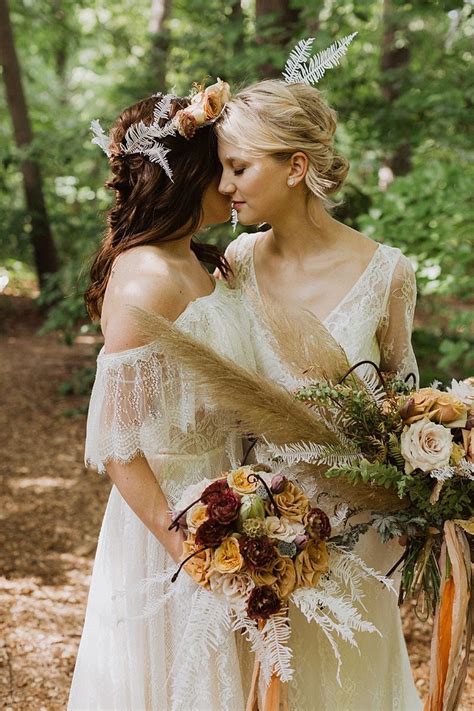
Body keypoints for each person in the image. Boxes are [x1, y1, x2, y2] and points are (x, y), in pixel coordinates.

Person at [216, 79, 422, 710]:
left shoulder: (389, 272)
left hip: (355, 536)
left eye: (239, 167)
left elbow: (402, 403)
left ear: (296, 167)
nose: (225, 186)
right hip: (254, 535)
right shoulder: (236, 261)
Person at [68, 85, 256, 710]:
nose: (231, 185)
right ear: (185, 175)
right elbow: (119, 447)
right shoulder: (143, 281)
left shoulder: (204, 263)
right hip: (171, 524)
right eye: (221, 168)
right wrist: (186, 549)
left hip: (234, 499)